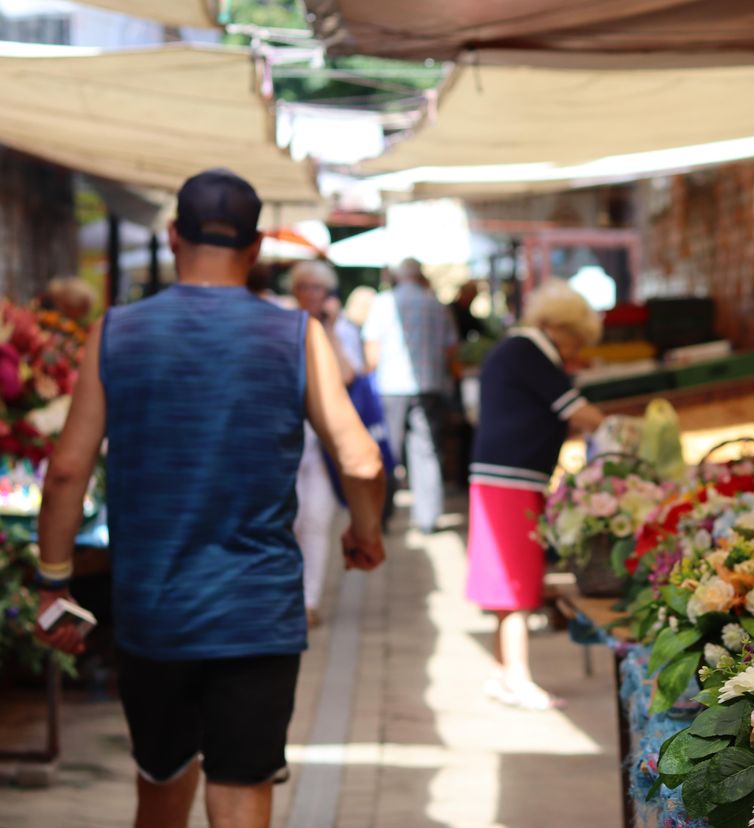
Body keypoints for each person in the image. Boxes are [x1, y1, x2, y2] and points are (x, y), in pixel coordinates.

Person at [34, 168, 386, 828]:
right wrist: (364, 533)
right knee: (240, 795)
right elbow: (362, 459)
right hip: (257, 615)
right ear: (255, 248)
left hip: (154, 614)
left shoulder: (117, 332)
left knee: (162, 790)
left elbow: (65, 473)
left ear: (173, 236)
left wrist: (54, 584)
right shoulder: (296, 335)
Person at [465, 280, 605, 711]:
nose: (573, 353)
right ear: (560, 328)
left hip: (503, 476)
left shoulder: (516, 350)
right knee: (517, 583)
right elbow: (580, 413)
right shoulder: (530, 352)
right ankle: (519, 679)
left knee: (505, 581)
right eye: (575, 342)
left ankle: (501, 671)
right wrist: (614, 428)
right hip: (511, 480)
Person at [363, 258, 457, 533]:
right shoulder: (435, 304)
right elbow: (450, 348)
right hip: (429, 385)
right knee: (427, 450)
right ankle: (427, 518)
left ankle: (381, 515)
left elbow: (371, 351)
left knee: (388, 451)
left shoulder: (384, 302)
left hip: (392, 387)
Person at [289, 259, 356, 626]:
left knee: (317, 520)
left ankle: (309, 599)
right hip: (290, 436)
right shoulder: (282, 325)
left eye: (319, 288)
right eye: (306, 287)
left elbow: (346, 374)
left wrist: (327, 329)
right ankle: (290, 593)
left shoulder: (338, 329)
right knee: (291, 518)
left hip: (324, 443)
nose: (312, 295)